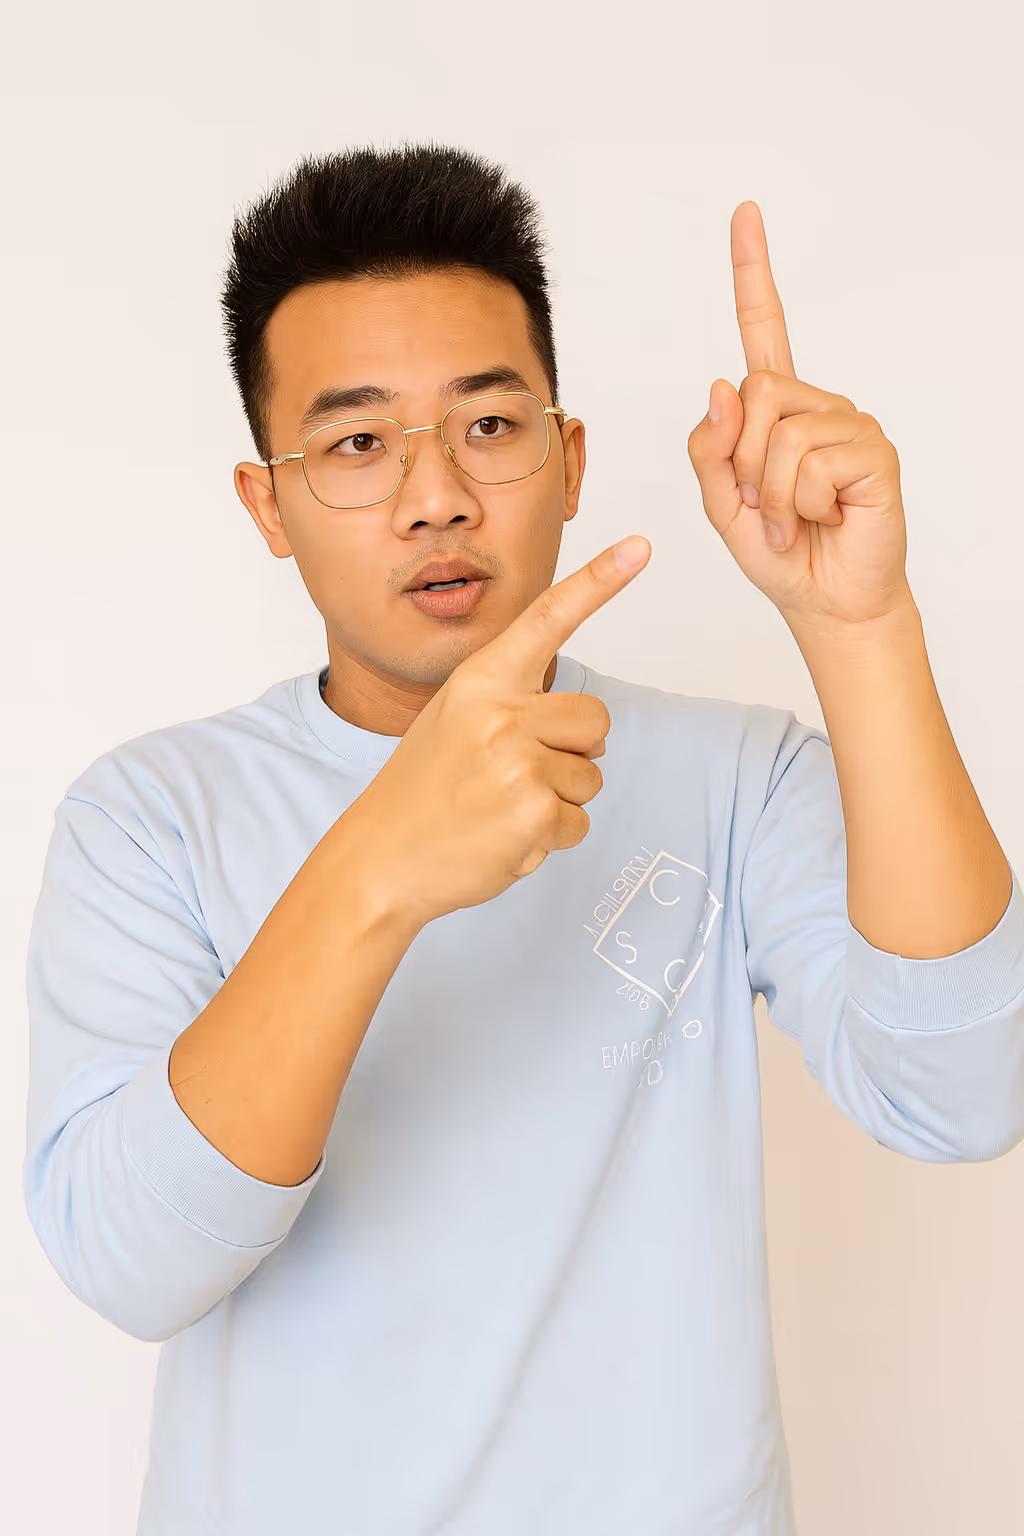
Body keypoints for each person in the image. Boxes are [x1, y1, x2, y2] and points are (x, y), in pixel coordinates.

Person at [24, 143, 1024, 1536]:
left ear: (570, 461)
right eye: (357, 442)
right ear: (268, 504)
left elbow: (966, 1092)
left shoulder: (727, 778)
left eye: (489, 427)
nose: (437, 495)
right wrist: (379, 867)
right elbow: (133, 1262)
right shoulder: (149, 817)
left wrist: (860, 627)